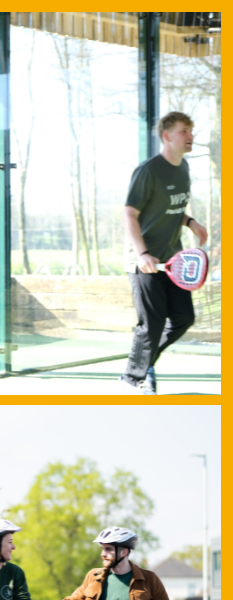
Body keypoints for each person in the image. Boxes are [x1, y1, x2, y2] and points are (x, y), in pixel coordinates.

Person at [119, 111, 209, 395]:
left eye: (191, 131)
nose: (190, 136)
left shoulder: (182, 169)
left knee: (184, 317)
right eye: (184, 131)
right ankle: (132, 379)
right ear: (167, 136)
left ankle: (145, 363)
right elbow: (129, 213)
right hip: (144, 261)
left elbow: (171, 207)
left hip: (174, 260)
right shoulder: (148, 170)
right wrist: (143, 253)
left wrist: (191, 222)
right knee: (151, 325)